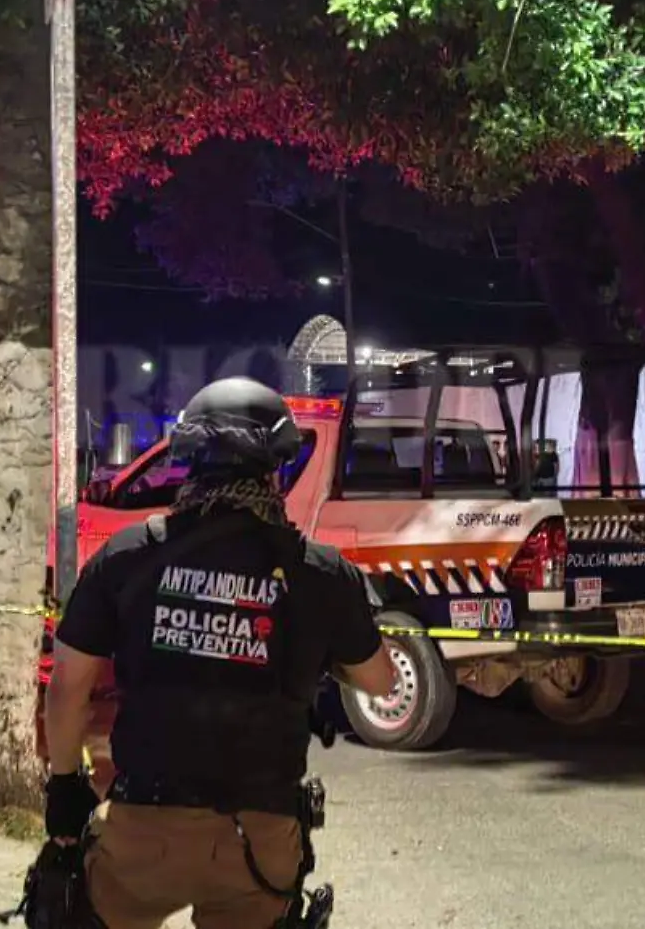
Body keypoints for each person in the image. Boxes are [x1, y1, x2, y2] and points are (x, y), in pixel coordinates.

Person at [43, 378, 396, 929]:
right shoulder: (321, 574)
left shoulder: (128, 556)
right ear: (274, 471)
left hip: (143, 831)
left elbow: (67, 689)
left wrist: (65, 787)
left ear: (189, 463)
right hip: (259, 841)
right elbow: (380, 683)